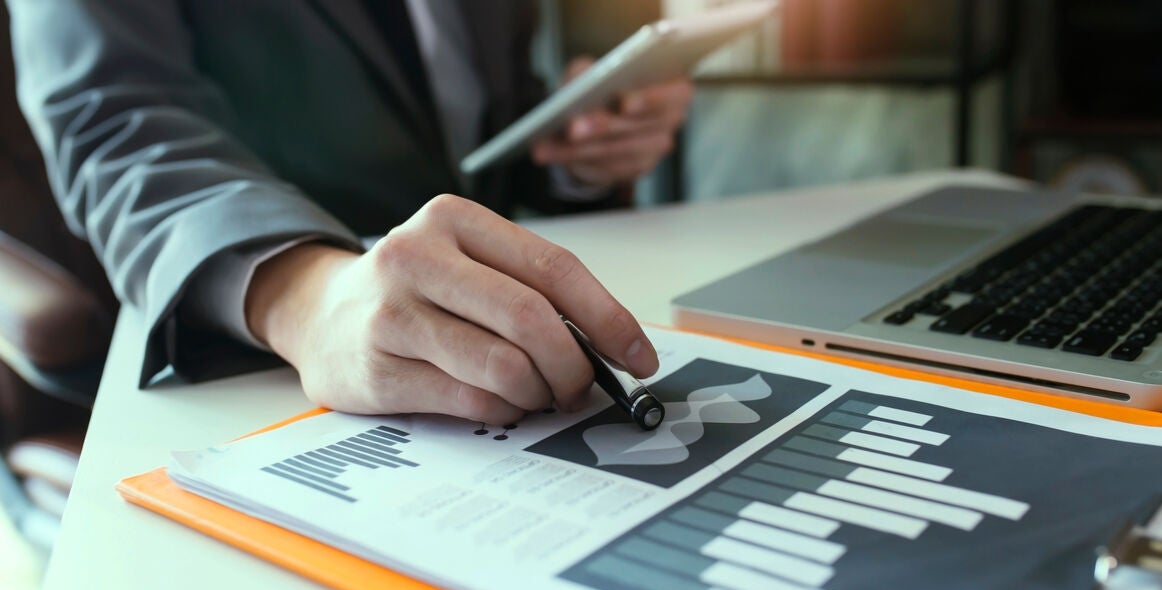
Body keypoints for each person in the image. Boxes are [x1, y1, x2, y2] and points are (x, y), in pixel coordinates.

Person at [7, 0, 693, 425]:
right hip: (256, 363)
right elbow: (116, 125)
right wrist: (306, 298)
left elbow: (483, 121)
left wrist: (575, 153)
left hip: (482, 317)